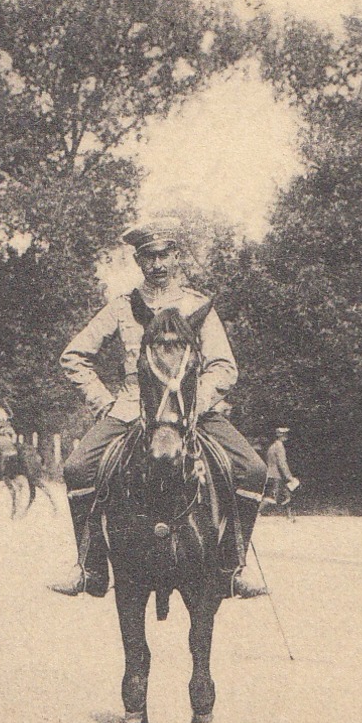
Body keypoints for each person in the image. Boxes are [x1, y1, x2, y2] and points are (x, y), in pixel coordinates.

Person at [52, 216, 269, 599]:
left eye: (164, 255)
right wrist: (103, 401)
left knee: (252, 469)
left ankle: (233, 566)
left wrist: (193, 404)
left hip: (190, 407)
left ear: (176, 256)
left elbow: (224, 366)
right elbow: (74, 356)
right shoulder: (122, 307)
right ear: (138, 261)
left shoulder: (198, 305)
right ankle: (90, 566)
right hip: (133, 407)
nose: (157, 265)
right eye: (148, 257)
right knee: (77, 467)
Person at [264, 426, 299, 521]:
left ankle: (290, 516)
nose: (286, 436)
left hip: (274, 475)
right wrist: (289, 477)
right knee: (270, 498)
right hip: (276, 475)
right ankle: (255, 513)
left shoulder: (272, 446)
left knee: (286, 495)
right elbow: (282, 463)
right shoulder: (279, 446)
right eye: (285, 434)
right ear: (280, 436)